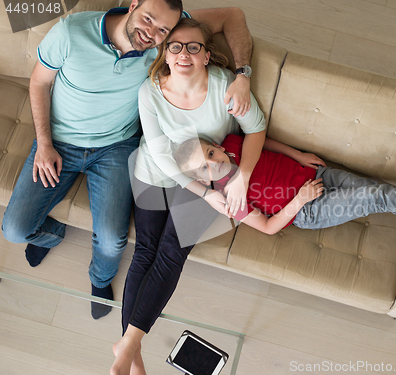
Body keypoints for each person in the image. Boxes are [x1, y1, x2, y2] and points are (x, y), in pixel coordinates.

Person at [1, 0, 255, 320]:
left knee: (112, 242)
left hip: (116, 147)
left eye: (162, 29)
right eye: (147, 19)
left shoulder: (170, 34)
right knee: (13, 230)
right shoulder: (71, 31)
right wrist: (44, 144)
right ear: (133, 5)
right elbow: (39, 82)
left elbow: (234, 15)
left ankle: (100, 279)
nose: (151, 33)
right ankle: (52, 233)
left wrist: (243, 74)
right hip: (59, 142)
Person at [111, 18, 266, 375]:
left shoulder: (225, 86)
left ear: (207, 55)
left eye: (193, 47)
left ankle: (127, 346)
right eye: (175, 46)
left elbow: (256, 128)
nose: (184, 53)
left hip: (206, 173)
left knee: (171, 253)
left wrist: (241, 178)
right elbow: (163, 156)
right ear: (164, 53)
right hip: (157, 171)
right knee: (146, 250)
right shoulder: (149, 91)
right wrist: (204, 195)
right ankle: (129, 351)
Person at [173, 134, 396, 234]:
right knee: (376, 196)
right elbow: (267, 228)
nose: (214, 162)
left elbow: (265, 141)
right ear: (202, 179)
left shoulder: (233, 143)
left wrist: (298, 154)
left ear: (216, 145)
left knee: (383, 192)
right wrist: (300, 201)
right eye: (205, 167)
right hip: (308, 209)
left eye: (210, 153)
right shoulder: (228, 200)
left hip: (318, 175)